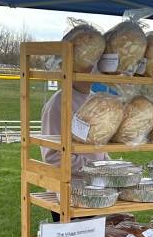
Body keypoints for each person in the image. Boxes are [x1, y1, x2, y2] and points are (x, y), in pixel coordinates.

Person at [39, 82, 111, 222]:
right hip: (68, 194)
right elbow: (53, 156)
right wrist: (95, 168)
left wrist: (109, 163)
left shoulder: (95, 100)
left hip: (98, 190)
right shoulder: (58, 104)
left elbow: (99, 146)